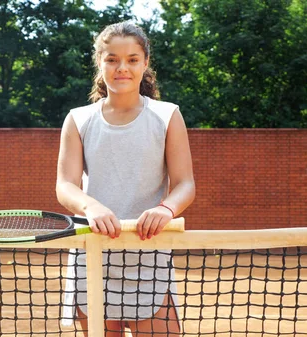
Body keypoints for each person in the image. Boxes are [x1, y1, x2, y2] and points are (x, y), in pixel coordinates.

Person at [55, 21, 195, 337]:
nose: (122, 68)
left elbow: (185, 183)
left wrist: (166, 210)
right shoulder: (78, 119)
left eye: (132, 59)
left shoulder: (167, 115)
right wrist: (91, 207)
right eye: (112, 59)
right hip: (92, 253)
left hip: (149, 254)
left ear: (145, 63)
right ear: (99, 63)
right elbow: (65, 185)